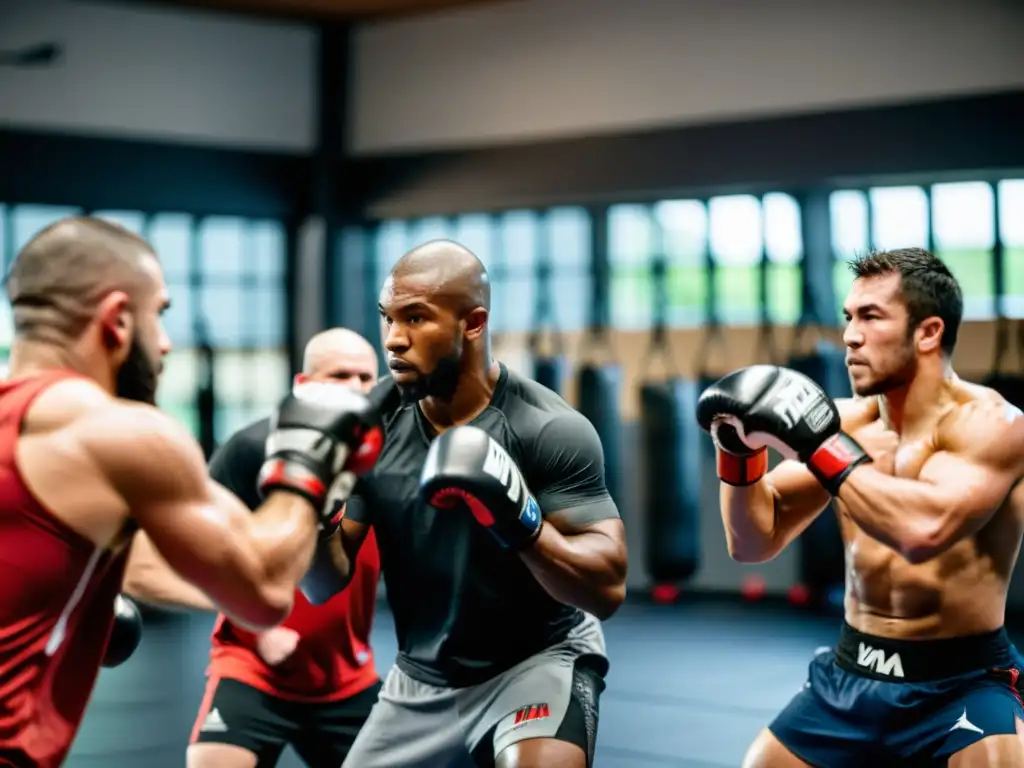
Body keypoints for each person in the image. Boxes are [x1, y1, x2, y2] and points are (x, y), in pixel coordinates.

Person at [0, 217, 383, 767]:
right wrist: (310, 467)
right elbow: (268, 589)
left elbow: (149, 563)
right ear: (116, 320)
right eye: (159, 315)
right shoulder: (120, 434)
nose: (166, 342)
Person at [302, 239, 628, 768]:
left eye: (415, 319)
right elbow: (321, 586)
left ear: (473, 323)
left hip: (536, 661)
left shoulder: (547, 428)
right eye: (387, 318)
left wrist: (519, 519)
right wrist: (316, 513)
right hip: (419, 680)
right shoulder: (372, 424)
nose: (393, 340)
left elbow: (607, 588)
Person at [697, 247, 1024, 767]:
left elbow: (923, 530)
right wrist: (738, 454)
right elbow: (753, 540)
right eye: (849, 317)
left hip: (959, 685)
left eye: (871, 317)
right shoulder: (845, 426)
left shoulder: (992, 426)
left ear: (928, 333)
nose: (850, 335)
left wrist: (818, 446)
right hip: (851, 676)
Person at [123, 327, 384, 768]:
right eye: (341, 376)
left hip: (348, 675)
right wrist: (258, 626)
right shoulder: (249, 450)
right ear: (304, 385)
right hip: (253, 667)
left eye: (365, 378)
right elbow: (193, 553)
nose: (356, 389)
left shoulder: (382, 462)